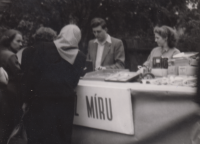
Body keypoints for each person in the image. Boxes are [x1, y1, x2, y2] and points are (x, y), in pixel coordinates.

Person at [22, 24, 86, 144]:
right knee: (62, 137)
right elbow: (74, 82)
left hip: (41, 101)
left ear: (61, 34)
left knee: (39, 137)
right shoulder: (81, 56)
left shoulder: (44, 47)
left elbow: (33, 74)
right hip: (65, 103)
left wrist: (26, 99)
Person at [0, 29, 23, 144]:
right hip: (9, 97)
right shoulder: (10, 56)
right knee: (7, 129)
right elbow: (20, 77)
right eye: (18, 41)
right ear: (9, 40)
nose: (21, 44)